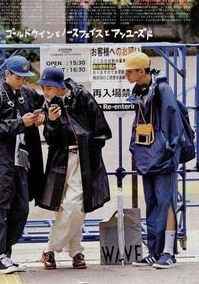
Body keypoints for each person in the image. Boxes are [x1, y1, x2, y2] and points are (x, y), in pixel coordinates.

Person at [0, 55, 45, 274]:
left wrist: (41, 115)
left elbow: (43, 103)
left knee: (21, 209)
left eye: (25, 77)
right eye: (18, 77)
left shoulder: (26, 93)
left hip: (20, 162)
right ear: (7, 74)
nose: (22, 81)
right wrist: (20, 122)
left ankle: (4, 254)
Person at [36, 66, 112, 270]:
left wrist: (90, 146)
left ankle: (50, 249)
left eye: (48, 87)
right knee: (63, 206)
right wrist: (51, 122)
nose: (44, 91)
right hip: (60, 159)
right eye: (42, 87)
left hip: (84, 158)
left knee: (74, 204)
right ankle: (77, 252)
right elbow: (51, 140)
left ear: (59, 86)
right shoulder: (49, 103)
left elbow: (101, 129)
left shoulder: (82, 96)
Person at [120, 51, 184, 269]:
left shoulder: (163, 89)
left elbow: (172, 119)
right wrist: (134, 147)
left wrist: (170, 148)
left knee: (166, 201)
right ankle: (155, 251)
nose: (126, 74)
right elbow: (138, 123)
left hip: (162, 154)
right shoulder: (140, 91)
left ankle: (168, 252)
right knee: (153, 202)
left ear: (141, 70)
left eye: (129, 71)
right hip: (148, 154)